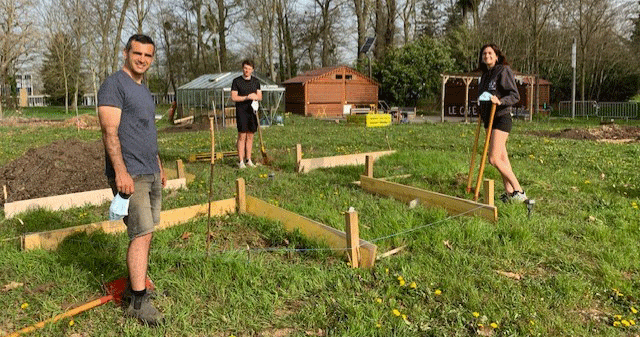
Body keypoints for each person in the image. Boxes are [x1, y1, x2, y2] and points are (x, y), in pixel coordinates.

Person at [97, 34, 167, 325]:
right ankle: (138, 302)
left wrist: (159, 165)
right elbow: (109, 132)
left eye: (148, 56)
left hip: (149, 170)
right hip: (131, 174)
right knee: (140, 234)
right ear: (125, 53)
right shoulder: (114, 84)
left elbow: (146, 130)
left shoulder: (144, 89)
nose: (142, 59)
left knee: (147, 231)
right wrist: (121, 172)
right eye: (137, 53)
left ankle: (131, 289)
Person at [476, 43, 527, 203]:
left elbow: (514, 95)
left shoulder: (503, 71)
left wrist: (500, 100)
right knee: (502, 158)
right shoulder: (484, 76)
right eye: (484, 54)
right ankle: (509, 192)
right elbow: (484, 96)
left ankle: (519, 190)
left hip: (501, 117)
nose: (487, 56)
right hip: (487, 119)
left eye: (490, 53)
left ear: (497, 56)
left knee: (493, 158)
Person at [231, 59, 262, 169]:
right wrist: (246, 97)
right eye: (245, 68)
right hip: (241, 111)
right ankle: (241, 161)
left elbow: (260, 96)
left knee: (250, 136)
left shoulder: (256, 81)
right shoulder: (236, 81)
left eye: (249, 69)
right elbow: (234, 97)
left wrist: (255, 96)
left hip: (252, 111)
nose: (246, 71)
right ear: (242, 68)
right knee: (242, 136)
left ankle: (248, 159)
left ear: (252, 70)